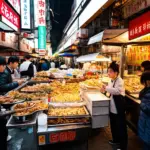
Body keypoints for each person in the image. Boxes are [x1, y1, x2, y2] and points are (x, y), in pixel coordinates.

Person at [101, 61, 128, 150]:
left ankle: (122, 146)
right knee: (113, 125)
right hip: (112, 107)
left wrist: (106, 88)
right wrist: (104, 91)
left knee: (121, 127)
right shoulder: (111, 80)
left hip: (119, 108)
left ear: (116, 72)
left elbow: (117, 91)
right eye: (108, 71)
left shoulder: (120, 81)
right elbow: (109, 91)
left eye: (110, 71)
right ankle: (115, 140)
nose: (108, 73)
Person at [138, 71, 150, 150]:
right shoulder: (146, 90)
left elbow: (147, 109)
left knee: (147, 143)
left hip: (147, 123)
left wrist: (141, 104)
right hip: (145, 121)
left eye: (143, 82)